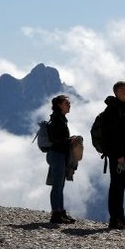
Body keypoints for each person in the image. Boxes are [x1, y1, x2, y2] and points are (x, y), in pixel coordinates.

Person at [101, 80, 125, 230]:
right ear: (120, 92)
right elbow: (113, 136)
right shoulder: (115, 110)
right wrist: (120, 154)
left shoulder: (119, 108)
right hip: (118, 156)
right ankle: (116, 218)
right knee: (117, 186)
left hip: (120, 154)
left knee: (118, 186)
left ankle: (117, 218)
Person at [45, 94, 80, 224]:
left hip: (59, 155)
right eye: (66, 103)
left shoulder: (60, 118)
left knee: (60, 185)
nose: (69, 105)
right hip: (57, 154)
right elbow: (56, 140)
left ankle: (60, 211)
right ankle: (56, 214)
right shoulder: (57, 120)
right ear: (59, 105)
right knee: (57, 185)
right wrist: (70, 140)